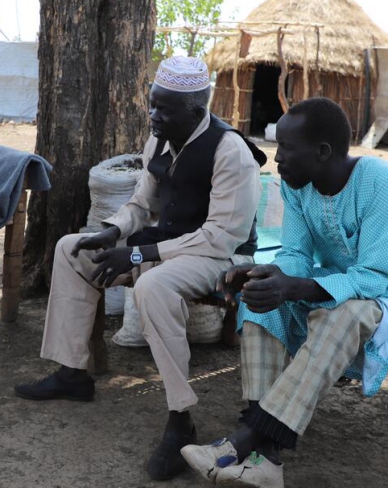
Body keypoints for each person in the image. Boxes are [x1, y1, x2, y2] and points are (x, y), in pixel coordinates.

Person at [180, 97, 388, 487]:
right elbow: (296, 254)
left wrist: (294, 285)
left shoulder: (380, 183)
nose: (277, 159)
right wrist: (268, 274)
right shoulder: (298, 185)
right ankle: (268, 462)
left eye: (287, 149)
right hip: (348, 278)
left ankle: (245, 439)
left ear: (323, 152)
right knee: (263, 303)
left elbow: (374, 278)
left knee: (345, 314)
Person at [14, 56, 268, 481]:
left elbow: (221, 238)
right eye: (152, 104)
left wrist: (137, 256)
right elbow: (140, 205)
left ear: (195, 109)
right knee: (70, 248)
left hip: (223, 257)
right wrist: (112, 232)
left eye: (163, 108)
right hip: (170, 246)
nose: (152, 115)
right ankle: (73, 372)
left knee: (153, 284)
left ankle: (180, 416)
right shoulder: (159, 140)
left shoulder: (231, 153)